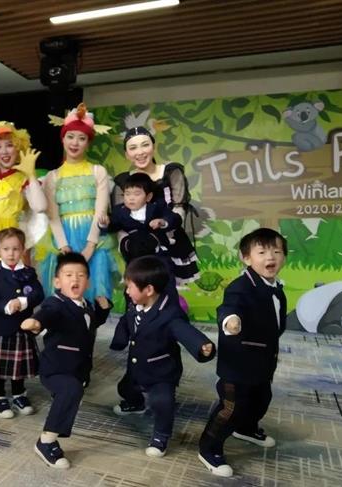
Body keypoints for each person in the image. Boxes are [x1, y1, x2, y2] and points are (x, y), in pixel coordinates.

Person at [198, 228, 287, 478]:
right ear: (246, 258)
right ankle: (208, 447)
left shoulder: (275, 287)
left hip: (263, 360)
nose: (270, 257)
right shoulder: (240, 287)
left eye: (277, 251)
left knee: (261, 399)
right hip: (238, 364)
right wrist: (230, 321)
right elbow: (228, 307)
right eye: (262, 252)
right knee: (231, 408)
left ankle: (246, 428)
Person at [110, 256, 215, 458]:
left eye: (130, 286)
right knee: (125, 388)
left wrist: (201, 345)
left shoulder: (170, 314)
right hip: (137, 367)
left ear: (148, 290)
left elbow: (183, 330)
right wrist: (119, 341)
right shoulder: (134, 306)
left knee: (162, 402)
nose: (127, 291)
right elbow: (126, 322)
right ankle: (136, 403)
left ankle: (161, 435)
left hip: (162, 371)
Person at [21, 252, 111, 469]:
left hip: (78, 368)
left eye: (81, 275)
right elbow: (48, 314)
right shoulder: (56, 303)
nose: (75, 279)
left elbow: (88, 324)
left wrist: (103, 310)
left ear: (88, 282)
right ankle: (45, 442)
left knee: (73, 393)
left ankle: (62, 402)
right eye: (69, 275)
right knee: (71, 391)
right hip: (55, 368)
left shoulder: (85, 305)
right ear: (57, 282)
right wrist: (36, 322)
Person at [38, 103, 116, 302]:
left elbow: (100, 211)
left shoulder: (98, 171)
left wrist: (90, 246)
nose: (75, 143)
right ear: (63, 139)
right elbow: (53, 215)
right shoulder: (52, 176)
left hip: (94, 239)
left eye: (82, 138)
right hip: (64, 239)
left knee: (97, 295)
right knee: (64, 294)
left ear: (88, 143)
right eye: (70, 136)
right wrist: (63, 246)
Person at [113, 126, 199, 284]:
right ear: (126, 154)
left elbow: (179, 207)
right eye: (133, 148)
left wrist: (164, 228)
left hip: (169, 239)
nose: (140, 152)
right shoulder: (123, 181)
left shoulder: (170, 172)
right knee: (140, 287)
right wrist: (126, 244)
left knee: (168, 286)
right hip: (138, 247)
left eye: (145, 145)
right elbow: (120, 219)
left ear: (154, 146)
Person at [0, 227, 44, 418]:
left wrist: (23, 302)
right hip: (0, 328)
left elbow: (38, 294)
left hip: (22, 328)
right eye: (6, 249)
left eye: (16, 249)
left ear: (23, 249)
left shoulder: (29, 272)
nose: (11, 253)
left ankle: (19, 394)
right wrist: (6, 306)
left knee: (19, 367)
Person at [0, 121, 47, 263]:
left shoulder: (22, 179)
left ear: (18, 148)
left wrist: (31, 175)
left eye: (9, 145)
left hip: (14, 248)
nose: (4, 151)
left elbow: (40, 207)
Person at [99, 173, 181, 263]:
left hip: (157, 251)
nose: (131, 198)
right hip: (134, 252)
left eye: (137, 194)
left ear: (148, 197)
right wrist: (105, 224)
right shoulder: (119, 211)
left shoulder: (156, 207)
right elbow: (114, 225)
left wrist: (162, 222)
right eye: (127, 194)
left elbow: (175, 218)